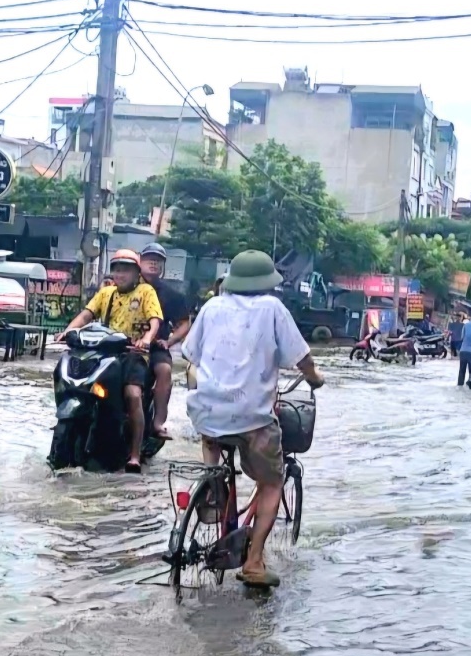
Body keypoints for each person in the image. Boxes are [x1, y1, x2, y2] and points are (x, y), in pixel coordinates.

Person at [182, 250, 325, 588]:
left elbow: (190, 354)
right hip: (252, 417)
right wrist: (315, 376)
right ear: (266, 283)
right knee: (272, 481)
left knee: (210, 433)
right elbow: (301, 356)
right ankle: (254, 561)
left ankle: (212, 481)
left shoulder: (212, 306)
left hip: (207, 410)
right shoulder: (272, 308)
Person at [63, 249, 163, 471]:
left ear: (137, 272)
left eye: (126, 270)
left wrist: (146, 339)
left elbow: (155, 320)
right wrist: (67, 331)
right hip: (102, 355)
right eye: (117, 269)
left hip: (132, 355)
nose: (120, 274)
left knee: (132, 395)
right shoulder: (106, 293)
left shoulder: (146, 291)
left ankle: (135, 454)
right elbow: (86, 315)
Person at [138, 242, 191, 439]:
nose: (153, 263)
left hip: (155, 347)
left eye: (158, 260)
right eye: (149, 259)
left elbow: (185, 323)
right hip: (123, 344)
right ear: (139, 262)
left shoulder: (172, 295)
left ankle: (158, 421)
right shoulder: (125, 287)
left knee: (165, 371)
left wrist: (169, 341)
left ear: (163, 266)